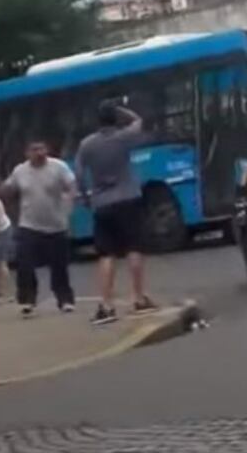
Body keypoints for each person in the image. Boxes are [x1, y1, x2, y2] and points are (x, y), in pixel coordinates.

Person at [75, 100, 157, 325]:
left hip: (102, 203)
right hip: (128, 197)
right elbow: (138, 121)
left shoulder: (87, 145)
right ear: (115, 119)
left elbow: (80, 175)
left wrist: (85, 196)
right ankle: (139, 298)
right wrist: (123, 110)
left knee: (106, 254)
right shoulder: (123, 138)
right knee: (134, 248)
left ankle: (107, 304)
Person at [3, 140, 77, 317]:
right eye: (34, 150)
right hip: (29, 224)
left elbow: (71, 186)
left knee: (59, 265)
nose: (39, 152)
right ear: (27, 153)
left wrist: (69, 204)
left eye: (42, 148)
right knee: (25, 263)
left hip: (56, 224)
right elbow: (9, 189)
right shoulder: (20, 171)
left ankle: (65, 299)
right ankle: (27, 300)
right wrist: (2, 188)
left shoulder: (58, 167)